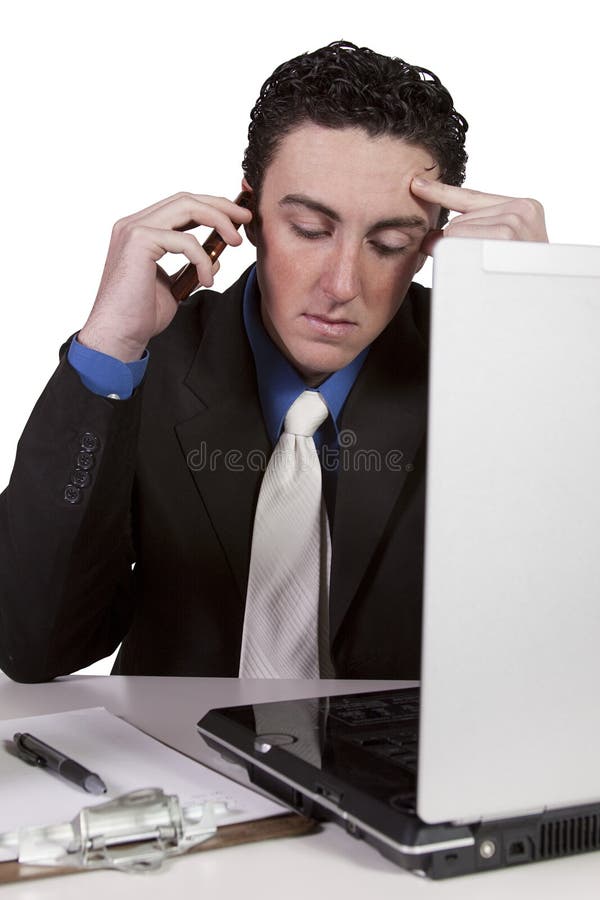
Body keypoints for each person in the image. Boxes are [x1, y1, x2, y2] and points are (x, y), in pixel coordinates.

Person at [0, 41, 547, 682]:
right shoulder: (144, 368)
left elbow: (546, 642)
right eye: (311, 230)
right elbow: (31, 646)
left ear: (430, 243)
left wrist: (537, 339)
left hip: (403, 773)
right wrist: (108, 350)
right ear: (251, 216)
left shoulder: (492, 373)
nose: (342, 284)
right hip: (174, 766)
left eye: (389, 242)